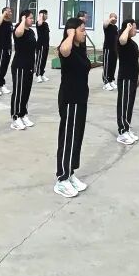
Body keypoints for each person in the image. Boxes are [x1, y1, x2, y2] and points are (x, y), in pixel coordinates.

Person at [54, 17, 91, 198]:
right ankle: (62, 178)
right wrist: (69, 35)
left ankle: (70, 173)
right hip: (70, 99)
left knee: (77, 138)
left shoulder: (80, 49)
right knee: (68, 138)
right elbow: (63, 50)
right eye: (82, 29)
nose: (85, 32)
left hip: (80, 99)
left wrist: (75, 36)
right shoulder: (66, 48)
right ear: (72, 31)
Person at [10, 9, 37, 129]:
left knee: (26, 91)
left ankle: (23, 114)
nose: (32, 20)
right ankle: (15, 117)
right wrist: (22, 21)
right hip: (19, 66)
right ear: (24, 18)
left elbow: (32, 49)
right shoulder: (18, 29)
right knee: (19, 92)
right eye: (30, 17)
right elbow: (18, 33)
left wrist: (34, 65)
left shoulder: (31, 32)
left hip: (29, 66)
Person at [116, 18, 139, 145]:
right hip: (125, 77)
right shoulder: (122, 41)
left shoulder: (133, 43)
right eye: (134, 27)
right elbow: (122, 40)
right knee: (124, 104)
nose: (136, 30)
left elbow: (134, 62)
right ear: (128, 27)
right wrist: (127, 28)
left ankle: (127, 127)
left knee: (129, 105)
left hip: (132, 78)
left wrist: (137, 77)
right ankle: (122, 132)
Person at [101, 13, 119, 91]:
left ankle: (111, 80)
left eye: (116, 18)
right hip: (107, 48)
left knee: (113, 65)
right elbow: (105, 24)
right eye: (114, 18)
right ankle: (106, 83)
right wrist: (111, 19)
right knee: (107, 66)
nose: (115, 19)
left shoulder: (115, 27)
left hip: (114, 49)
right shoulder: (107, 26)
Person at [34, 9, 51, 83]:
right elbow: (40, 23)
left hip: (46, 45)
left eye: (47, 14)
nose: (47, 16)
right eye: (45, 14)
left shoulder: (46, 24)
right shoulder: (39, 23)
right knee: (39, 60)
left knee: (44, 60)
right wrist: (41, 15)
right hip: (40, 45)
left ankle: (42, 73)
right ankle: (38, 75)